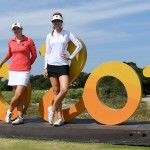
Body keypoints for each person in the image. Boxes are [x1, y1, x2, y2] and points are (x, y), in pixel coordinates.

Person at [44, 12, 82, 126]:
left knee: (64, 89)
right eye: (54, 21)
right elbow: (47, 52)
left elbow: (79, 45)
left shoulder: (67, 33)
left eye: (58, 21)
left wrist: (70, 57)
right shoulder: (49, 35)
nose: (56, 23)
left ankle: (52, 109)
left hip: (63, 65)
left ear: (61, 22)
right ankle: (59, 118)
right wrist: (45, 67)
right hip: (51, 65)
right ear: (52, 23)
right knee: (56, 91)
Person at [0, 22, 37, 125]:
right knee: (18, 96)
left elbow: (34, 55)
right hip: (13, 70)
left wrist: (28, 64)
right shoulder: (10, 41)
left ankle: (9, 111)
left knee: (19, 93)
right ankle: (20, 117)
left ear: (21, 29)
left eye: (18, 29)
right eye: (14, 29)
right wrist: (2, 62)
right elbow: (9, 54)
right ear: (13, 31)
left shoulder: (29, 40)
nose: (16, 31)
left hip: (24, 70)